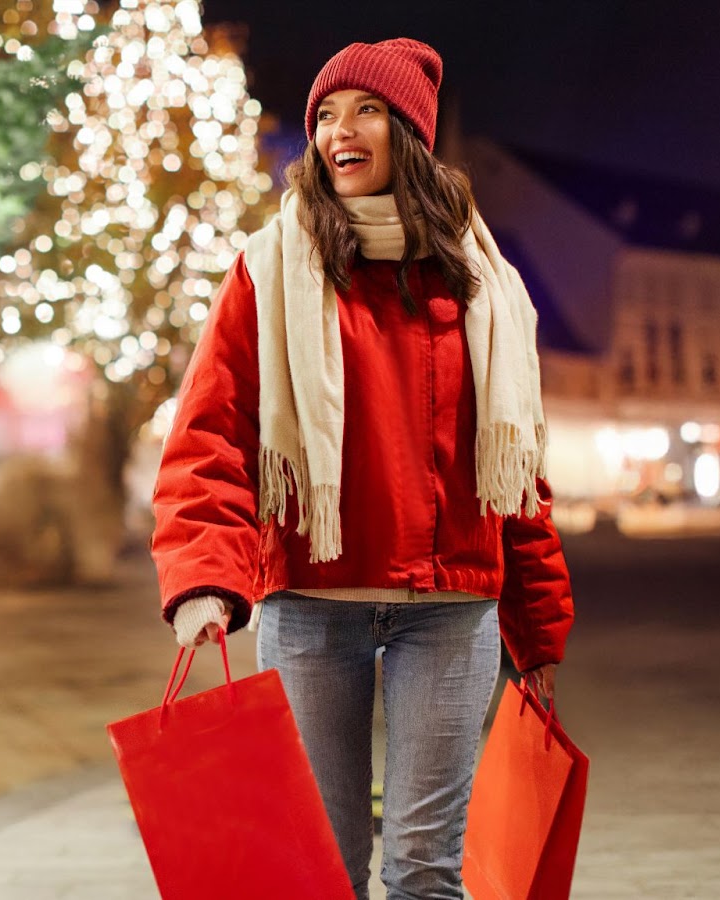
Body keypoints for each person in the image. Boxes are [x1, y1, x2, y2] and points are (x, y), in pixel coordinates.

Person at [150, 37, 574, 900]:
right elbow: (211, 435)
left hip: (452, 611)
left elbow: (516, 475)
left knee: (426, 869)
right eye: (327, 115)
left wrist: (538, 624)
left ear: (409, 135)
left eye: (366, 110)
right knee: (322, 872)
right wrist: (204, 579)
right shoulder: (267, 272)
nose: (340, 129)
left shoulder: (483, 283)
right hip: (311, 606)